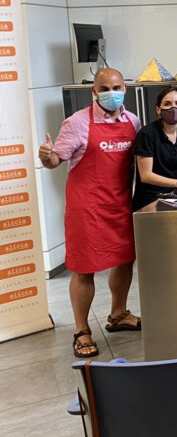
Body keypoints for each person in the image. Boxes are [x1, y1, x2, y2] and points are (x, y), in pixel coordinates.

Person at [38, 68, 142, 358]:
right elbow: (56, 160)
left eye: (117, 87)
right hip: (87, 209)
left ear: (125, 88)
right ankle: (81, 330)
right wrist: (47, 156)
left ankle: (118, 314)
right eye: (104, 89)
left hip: (121, 203)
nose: (112, 93)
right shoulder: (77, 122)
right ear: (94, 92)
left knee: (124, 261)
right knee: (84, 268)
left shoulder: (133, 121)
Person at [133, 86, 177, 211]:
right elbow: (146, 175)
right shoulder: (147, 134)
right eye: (167, 104)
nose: (173, 108)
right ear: (158, 109)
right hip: (150, 198)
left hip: (176, 195)